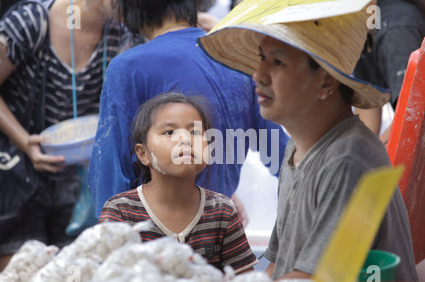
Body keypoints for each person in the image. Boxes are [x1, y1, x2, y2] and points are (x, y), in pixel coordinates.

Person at [198, 0, 418, 282]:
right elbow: (278, 263)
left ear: (326, 82)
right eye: (261, 58)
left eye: (277, 62)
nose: (258, 75)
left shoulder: (347, 159)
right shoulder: (298, 145)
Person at [88, 0, 289, 223]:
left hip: (157, 239)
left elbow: (110, 174)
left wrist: (111, 241)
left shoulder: (129, 67)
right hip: (218, 233)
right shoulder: (236, 60)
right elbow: (284, 158)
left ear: (130, 10)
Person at [0, 0, 131, 271]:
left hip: (75, 183)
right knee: (21, 273)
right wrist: (24, 141)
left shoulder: (120, 31)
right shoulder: (32, 22)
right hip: (17, 179)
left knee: (71, 276)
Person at [99, 92, 258, 274]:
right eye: (170, 132)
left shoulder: (223, 211)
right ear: (143, 154)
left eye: (195, 132)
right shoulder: (120, 211)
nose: (185, 140)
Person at [353, 0, 425, 141]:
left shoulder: (395, 30)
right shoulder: (366, 20)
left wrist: (372, 157)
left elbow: (413, 118)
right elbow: (367, 108)